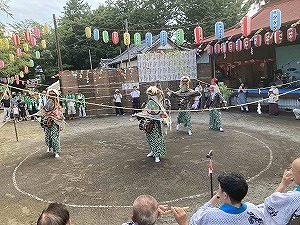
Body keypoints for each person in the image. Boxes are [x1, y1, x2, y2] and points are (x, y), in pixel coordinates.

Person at [173, 172, 265, 225]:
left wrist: (183, 222)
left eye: (219, 189)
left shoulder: (210, 216)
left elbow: (195, 219)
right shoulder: (253, 209)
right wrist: (217, 196)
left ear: (225, 195)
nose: (218, 191)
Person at [135, 86, 170, 163]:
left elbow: (163, 115)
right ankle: (152, 151)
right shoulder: (149, 104)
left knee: (156, 139)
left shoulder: (159, 105)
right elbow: (145, 113)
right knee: (149, 138)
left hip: (156, 125)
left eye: (151, 95)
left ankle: (157, 155)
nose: (150, 96)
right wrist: (136, 115)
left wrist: (164, 120)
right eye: (149, 95)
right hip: (149, 124)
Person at [262, 158, 300, 225]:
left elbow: (270, 203)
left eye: (292, 170)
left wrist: (283, 184)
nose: (291, 172)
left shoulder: (292, 198)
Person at [36, 89, 64, 158]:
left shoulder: (56, 103)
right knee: (47, 136)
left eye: (53, 95)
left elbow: (58, 113)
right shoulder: (48, 101)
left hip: (55, 121)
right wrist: (37, 114)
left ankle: (56, 151)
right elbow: (45, 109)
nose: (51, 96)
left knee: (54, 136)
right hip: (48, 120)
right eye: (50, 94)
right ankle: (49, 146)